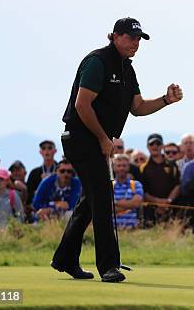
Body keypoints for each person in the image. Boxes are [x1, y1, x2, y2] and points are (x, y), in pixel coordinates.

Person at [52, 17, 183, 283]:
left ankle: (65, 258)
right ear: (114, 36)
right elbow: (82, 105)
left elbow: (137, 107)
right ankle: (109, 266)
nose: (135, 43)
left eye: (138, 39)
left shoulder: (127, 69)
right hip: (80, 137)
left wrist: (166, 100)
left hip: (95, 139)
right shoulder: (97, 61)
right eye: (130, 37)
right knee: (101, 198)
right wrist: (103, 138)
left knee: (91, 201)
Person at [140, 134, 181, 226]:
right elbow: (143, 190)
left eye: (158, 143)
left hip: (170, 209)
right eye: (152, 144)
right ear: (147, 147)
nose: (155, 146)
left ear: (162, 146)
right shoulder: (143, 168)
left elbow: (177, 185)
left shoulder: (172, 165)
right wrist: (158, 202)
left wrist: (168, 201)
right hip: (150, 211)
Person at [26, 140, 59, 214]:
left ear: (55, 151)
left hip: (58, 205)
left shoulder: (63, 170)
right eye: (43, 148)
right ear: (40, 152)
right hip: (39, 208)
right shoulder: (34, 173)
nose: (47, 151)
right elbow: (29, 193)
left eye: (50, 148)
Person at [112, 154, 144, 229]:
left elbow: (136, 203)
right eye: (119, 166)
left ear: (128, 167)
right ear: (113, 167)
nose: (121, 168)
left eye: (124, 165)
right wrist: (129, 205)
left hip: (132, 230)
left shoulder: (136, 184)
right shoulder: (108, 186)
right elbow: (105, 207)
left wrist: (115, 203)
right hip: (113, 230)